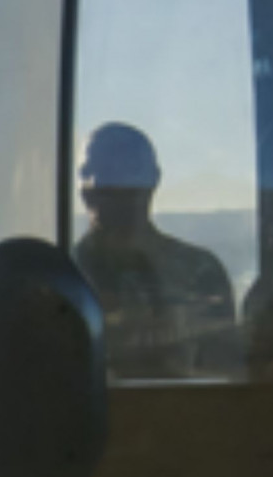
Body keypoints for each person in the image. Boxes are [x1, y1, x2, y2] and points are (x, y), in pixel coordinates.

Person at [73, 122, 238, 378]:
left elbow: (222, 377)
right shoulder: (65, 279)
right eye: (87, 172)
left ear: (153, 180)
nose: (95, 183)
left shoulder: (201, 274)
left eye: (118, 171)